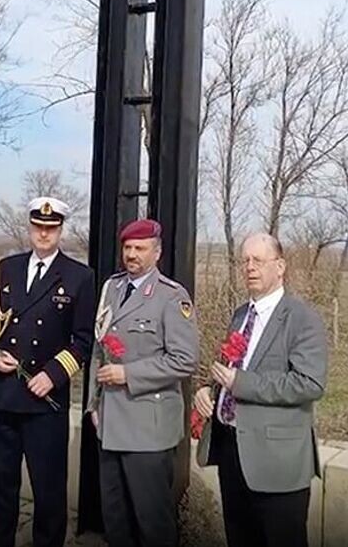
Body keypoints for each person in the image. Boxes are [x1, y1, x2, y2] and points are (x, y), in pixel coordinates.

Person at [193, 232, 328, 547]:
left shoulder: (302, 319)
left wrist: (240, 384)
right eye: (245, 261)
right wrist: (209, 392)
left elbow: (310, 383)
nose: (249, 268)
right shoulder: (240, 315)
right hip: (233, 454)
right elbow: (230, 371)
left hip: (278, 464)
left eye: (258, 261)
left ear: (279, 267)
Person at [0, 196, 95, 547]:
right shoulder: (5, 269)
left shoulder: (79, 276)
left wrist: (54, 374)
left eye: (51, 228)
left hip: (45, 403)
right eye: (38, 227)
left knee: (48, 492)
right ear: (29, 228)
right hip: (3, 397)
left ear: (60, 230)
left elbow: (84, 340)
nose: (44, 234)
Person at [87, 218, 199, 547]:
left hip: (147, 429)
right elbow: (99, 346)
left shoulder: (170, 296)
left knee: (153, 523)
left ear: (157, 252)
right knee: (116, 520)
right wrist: (95, 403)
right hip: (110, 423)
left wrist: (129, 374)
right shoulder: (112, 288)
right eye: (128, 248)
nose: (132, 255)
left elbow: (185, 359)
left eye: (140, 248)